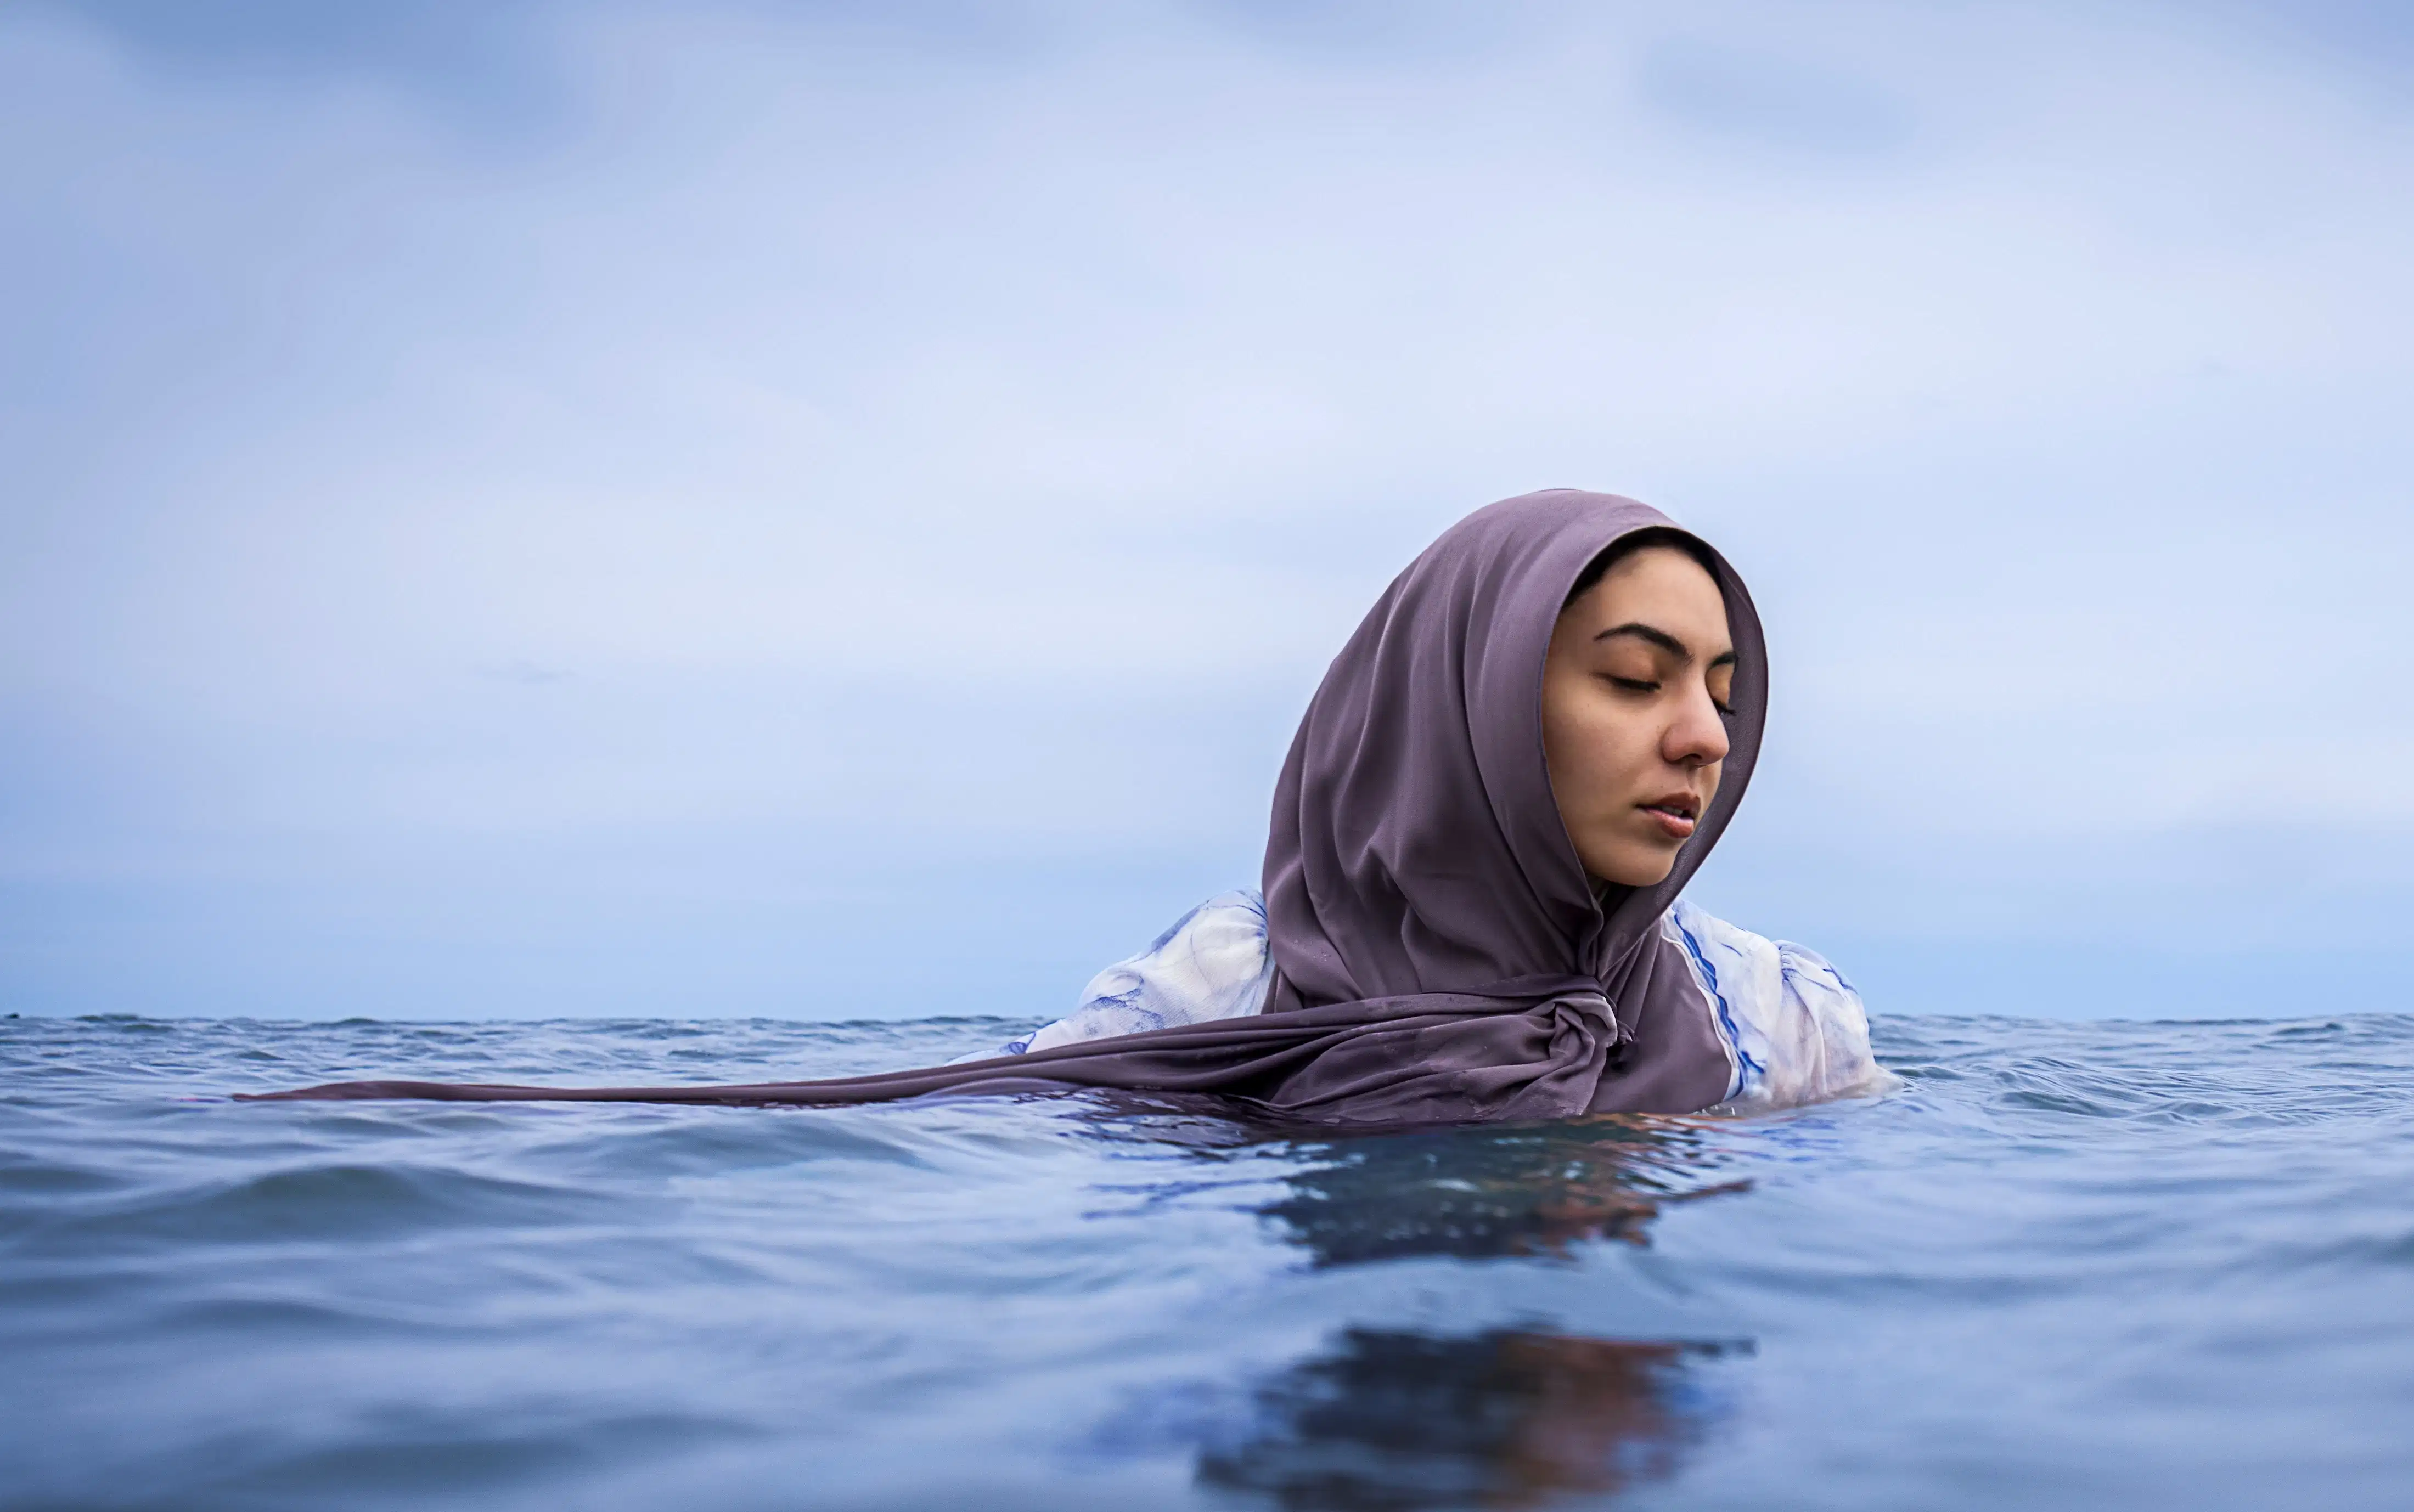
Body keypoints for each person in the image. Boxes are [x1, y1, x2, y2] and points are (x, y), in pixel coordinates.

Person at [247, 490, 1887, 1124]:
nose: (1702, 740)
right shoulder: (1228, 988)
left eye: (1724, 691)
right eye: (1633, 677)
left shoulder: (1775, 1022)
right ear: (1462, 699)